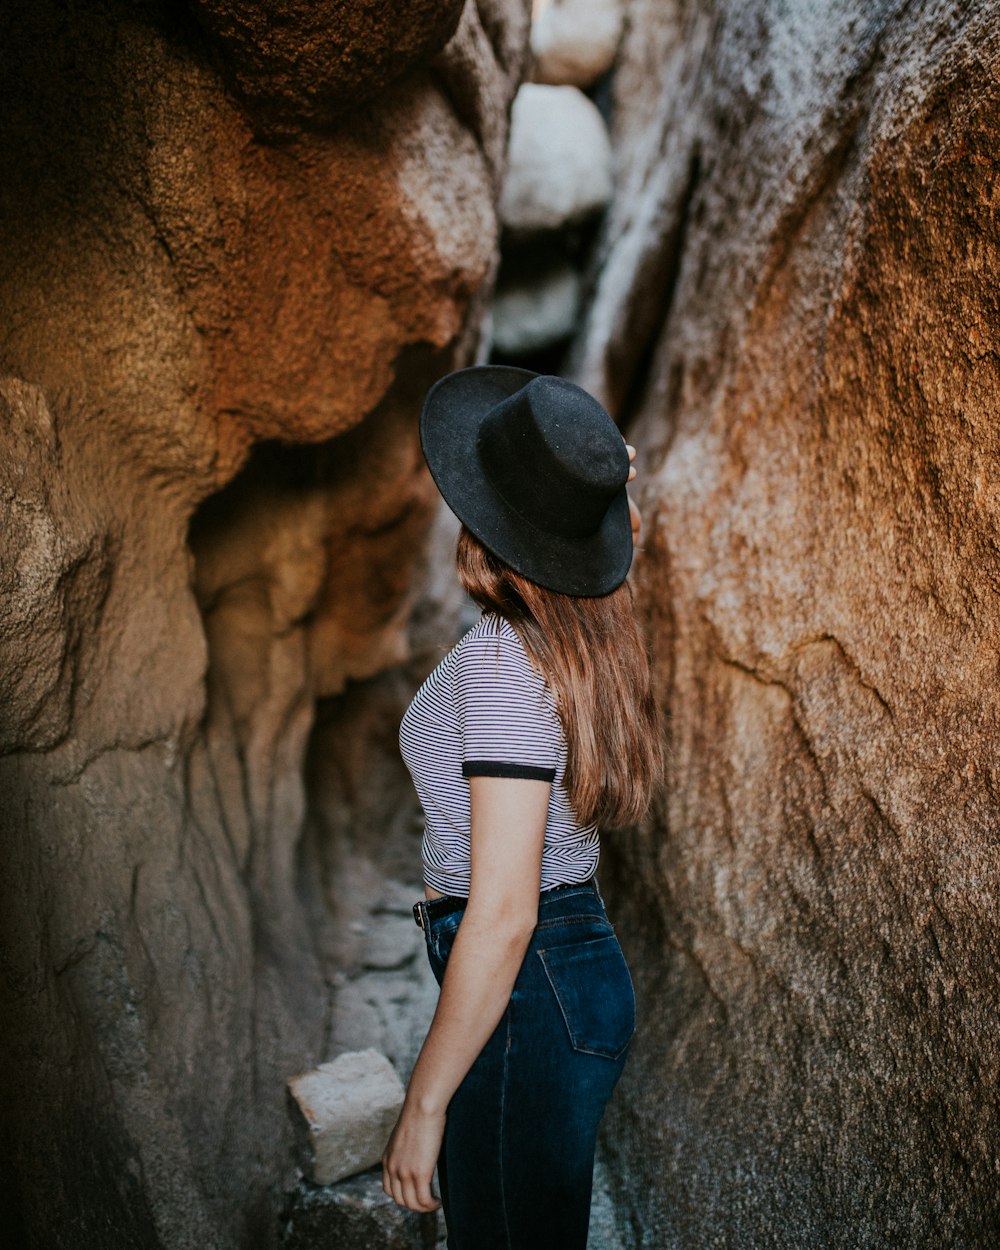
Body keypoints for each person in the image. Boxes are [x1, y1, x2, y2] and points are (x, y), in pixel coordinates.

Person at [381, 366, 661, 1250]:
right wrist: (603, 489)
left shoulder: (506, 662)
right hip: (563, 974)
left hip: (526, 980)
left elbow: (503, 914)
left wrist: (423, 1107)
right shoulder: (582, 635)